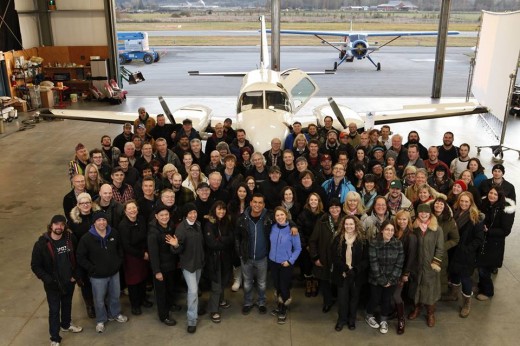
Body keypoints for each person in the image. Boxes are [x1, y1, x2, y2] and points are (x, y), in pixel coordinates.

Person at [31, 215, 83, 346]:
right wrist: (48, 280)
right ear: (51, 225)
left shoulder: (70, 239)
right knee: (54, 311)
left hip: (68, 281)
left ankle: (66, 325)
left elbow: (77, 257)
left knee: (67, 305)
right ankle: (54, 338)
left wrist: (75, 276)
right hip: (53, 285)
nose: (59, 227)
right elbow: (35, 266)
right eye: (56, 224)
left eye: (61, 224)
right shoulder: (42, 244)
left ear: (64, 226)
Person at [76, 211, 128, 333]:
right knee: (99, 300)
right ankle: (101, 320)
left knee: (115, 296)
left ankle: (114, 314)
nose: (102, 222)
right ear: (94, 223)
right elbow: (80, 257)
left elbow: (120, 249)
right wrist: (92, 268)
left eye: (104, 220)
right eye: (99, 220)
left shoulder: (113, 233)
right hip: (97, 277)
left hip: (114, 273)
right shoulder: (86, 238)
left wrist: (118, 263)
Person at [167, 203, 205, 334]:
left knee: (194, 290)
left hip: (198, 263)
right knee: (193, 291)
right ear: (185, 214)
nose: (193, 215)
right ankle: (192, 320)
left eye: (195, 212)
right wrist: (176, 245)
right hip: (188, 265)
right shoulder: (181, 229)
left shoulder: (198, 225)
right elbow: (177, 249)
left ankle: (194, 308)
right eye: (190, 213)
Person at [445, 192, 484, 318]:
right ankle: (454, 294)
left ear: (471, 203)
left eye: (467, 201)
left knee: (466, 279)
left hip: (466, 254)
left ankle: (467, 303)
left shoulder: (475, 218)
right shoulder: (456, 213)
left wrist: (467, 250)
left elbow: (478, 239)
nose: (463, 203)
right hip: (454, 251)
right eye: (462, 201)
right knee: (454, 273)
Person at [235, 193, 274, 315]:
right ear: (251, 203)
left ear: (264, 205)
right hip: (247, 257)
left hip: (262, 257)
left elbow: (285, 219)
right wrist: (240, 253)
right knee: (247, 283)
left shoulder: (269, 217)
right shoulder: (242, 218)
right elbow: (237, 237)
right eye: (255, 202)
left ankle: (261, 302)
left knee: (262, 283)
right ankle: (248, 302)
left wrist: (293, 226)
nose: (257, 205)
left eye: (260, 203)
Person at [365, 220, 404, 335]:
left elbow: (399, 263)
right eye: (387, 229)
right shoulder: (374, 243)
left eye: (392, 230)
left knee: (386, 300)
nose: (390, 232)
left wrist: (391, 280)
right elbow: (374, 263)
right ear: (382, 230)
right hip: (376, 278)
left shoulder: (398, 244)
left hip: (392, 279)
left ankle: (383, 320)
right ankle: (369, 315)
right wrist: (382, 280)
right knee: (375, 298)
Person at [407, 204, 444, 328]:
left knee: (430, 290)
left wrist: (435, 263)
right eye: (421, 212)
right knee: (416, 288)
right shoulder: (414, 228)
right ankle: (417, 309)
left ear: (430, 214)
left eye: (426, 212)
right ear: (418, 214)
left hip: (430, 266)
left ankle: (430, 313)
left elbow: (440, 248)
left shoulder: (436, 229)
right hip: (416, 265)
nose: (423, 214)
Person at [476, 187, 515, 300]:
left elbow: (505, 230)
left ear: (500, 196)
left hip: (494, 243)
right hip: (482, 240)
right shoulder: (484, 203)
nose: (492, 196)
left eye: (495, 194)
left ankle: (488, 292)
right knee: (480, 266)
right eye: (491, 193)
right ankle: (481, 286)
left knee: (485, 269)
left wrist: (489, 231)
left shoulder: (505, 209)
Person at [331, 215, 368, 332]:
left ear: (355, 225)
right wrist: (346, 269)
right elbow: (335, 258)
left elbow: (366, 259)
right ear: (343, 225)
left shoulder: (363, 240)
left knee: (354, 299)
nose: (349, 226)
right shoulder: (338, 239)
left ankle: (352, 320)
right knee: (342, 299)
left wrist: (355, 270)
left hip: (357, 275)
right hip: (342, 274)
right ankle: (341, 320)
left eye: (351, 224)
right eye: (346, 224)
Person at [309, 198, 344, 313]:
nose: (334, 209)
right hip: (324, 258)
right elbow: (313, 240)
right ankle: (327, 302)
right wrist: (315, 257)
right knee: (325, 282)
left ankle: (340, 303)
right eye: (332, 207)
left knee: (339, 282)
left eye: (337, 207)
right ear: (328, 209)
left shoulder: (346, 220)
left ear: (341, 208)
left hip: (341, 259)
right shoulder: (322, 221)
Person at [118, 201, 152, 316]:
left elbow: (146, 235)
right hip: (131, 257)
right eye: (129, 209)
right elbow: (126, 246)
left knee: (143, 278)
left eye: (134, 208)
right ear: (125, 211)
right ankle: (135, 304)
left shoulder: (141, 219)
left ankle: (143, 299)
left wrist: (146, 251)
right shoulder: (123, 225)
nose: (132, 210)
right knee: (133, 282)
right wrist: (142, 255)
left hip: (143, 253)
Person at [269, 207, 302, 324]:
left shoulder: (292, 230)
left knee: (284, 286)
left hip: (286, 263)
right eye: (277, 215)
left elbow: (298, 248)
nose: (280, 217)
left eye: (282, 215)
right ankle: (279, 304)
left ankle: (283, 308)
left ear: (286, 215)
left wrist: (290, 261)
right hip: (273, 261)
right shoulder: (272, 227)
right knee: (277, 285)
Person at [147, 205, 179, 326]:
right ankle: (163, 316)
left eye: (166, 214)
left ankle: (170, 305)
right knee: (161, 293)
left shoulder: (170, 225)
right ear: (156, 216)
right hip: (160, 267)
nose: (164, 217)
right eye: (161, 215)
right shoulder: (153, 232)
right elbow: (153, 254)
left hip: (171, 264)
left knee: (170, 288)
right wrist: (157, 271)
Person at [204, 201, 235, 323]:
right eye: (219, 209)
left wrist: (221, 239)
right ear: (214, 210)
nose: (221, 211)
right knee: (216, 285)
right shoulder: (209, 224)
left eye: (223, 209)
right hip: (214, 259)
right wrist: (225, 242)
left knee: (224, 281)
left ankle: (221, 301)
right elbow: (212, 243)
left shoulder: (227, 221)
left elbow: (232, 238)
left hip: (226, 258)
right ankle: (213, 310)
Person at [392, 210, 417, 334]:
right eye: (399, 219)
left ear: (409, 221)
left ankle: (401, 320)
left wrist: (405, 274)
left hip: (402, 271)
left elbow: (411, 256)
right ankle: (396, 311)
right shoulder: (395, 233)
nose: (402, 222)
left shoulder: (411, 236)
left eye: (404, 219)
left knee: (396, 295)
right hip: (392, 269)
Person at [296, 192, 325, 298]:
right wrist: (306, 245)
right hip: (306, 246)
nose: (313, 202)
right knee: (307, 266)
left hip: (318, 246)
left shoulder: (323, 215)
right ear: (308, 201)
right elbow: (299, 231)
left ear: (319, 202)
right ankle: (309, 284)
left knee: (316, 266)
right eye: (311, 200)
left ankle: (315, 283)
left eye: (315, 200)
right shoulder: (303, 214)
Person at [431, 197, 459, 297]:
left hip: (441, 254)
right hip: (427, 252)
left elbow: (455, 239)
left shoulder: (449, 221)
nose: (438, 206)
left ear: (445, 207)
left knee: (441, 275)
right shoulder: (427, 217)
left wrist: (442, 247)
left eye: (441, 204)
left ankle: (439, 296)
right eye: (436, 203)